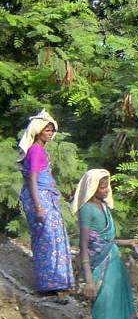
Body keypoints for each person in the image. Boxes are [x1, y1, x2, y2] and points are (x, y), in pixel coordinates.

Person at [75, 169, 138, 319]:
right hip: (99, 268)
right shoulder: (88, 210)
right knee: (104, 310)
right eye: (101, 187)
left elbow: (107, 239)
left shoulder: (103, 207)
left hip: (114, 263)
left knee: (115, 309)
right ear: (92, 188)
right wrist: (88, 280)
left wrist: (128, 242)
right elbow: (85, 246)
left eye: (107, 186)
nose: (105, 190)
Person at [17, 110, 74, 294]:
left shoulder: (40, 150)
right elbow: (33, 178)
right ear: (38, 131)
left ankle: (56, 281)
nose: (49, 133)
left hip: (44, 197)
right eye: (46, 130)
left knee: (53, 237)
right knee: (47, 238)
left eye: (51, 130)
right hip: (40, 197)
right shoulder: (35, 150)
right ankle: (50, 284)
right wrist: (39, 206)